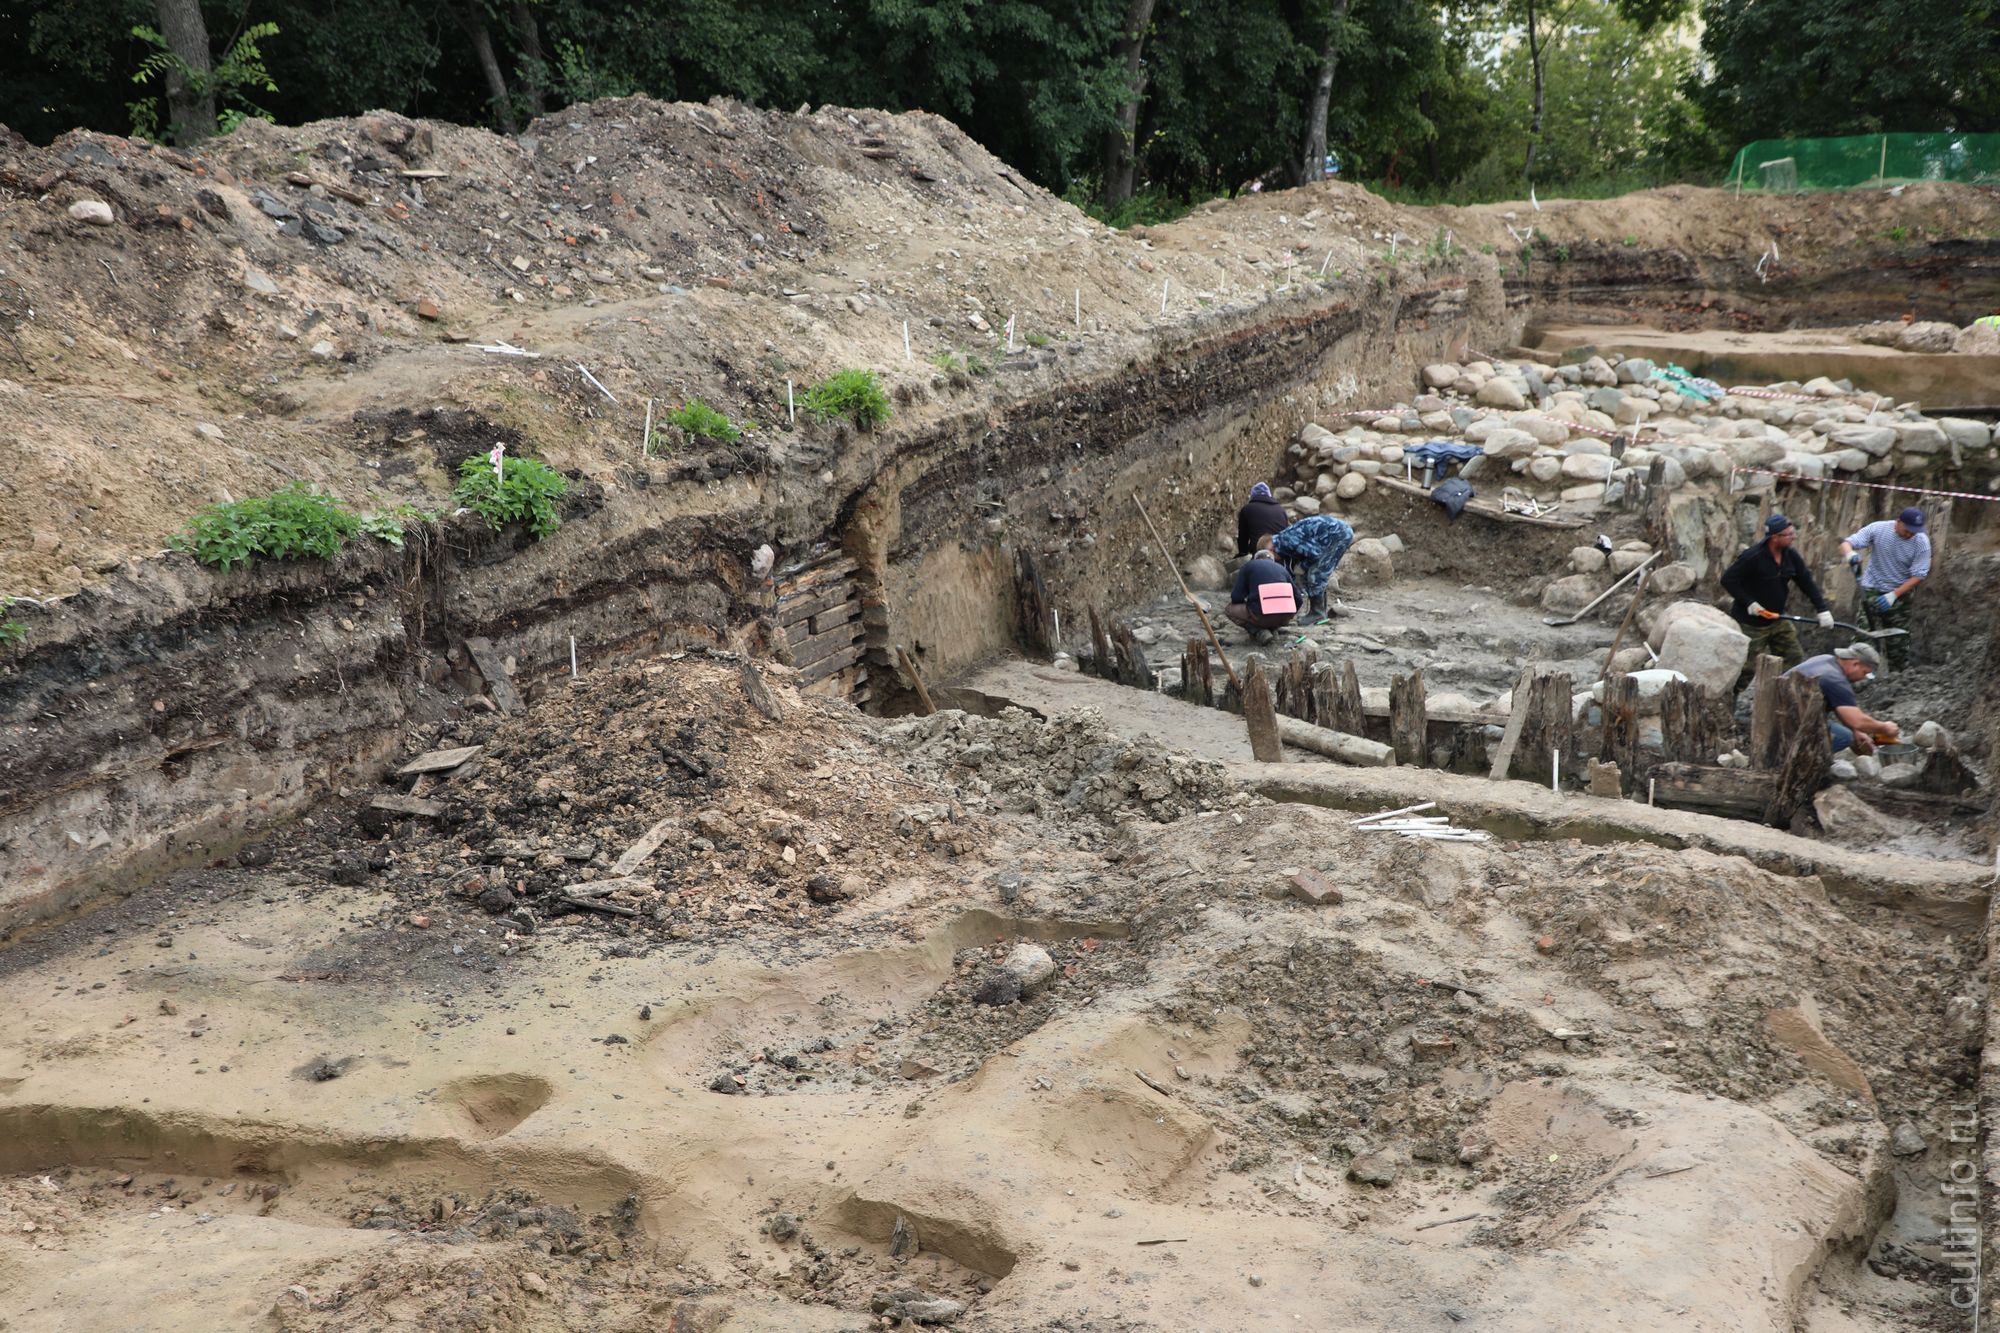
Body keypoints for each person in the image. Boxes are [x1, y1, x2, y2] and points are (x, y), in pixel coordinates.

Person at [1721, 512, 1834, 693]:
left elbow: (1806, 582)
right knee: (1745, 668)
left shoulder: (1791, 556)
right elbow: (1728, 580)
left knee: (1794, 658)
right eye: (1789, 534)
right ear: (1775, 537)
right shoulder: (1753, 557)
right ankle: (1731, 703)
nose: (1793, 537)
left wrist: (1822, 609)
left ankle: (1785, 696)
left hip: (1777, 618)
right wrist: (1749, 602)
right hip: (1751, 624)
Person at [1839, 507, 1928, 670]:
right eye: (1907, 530)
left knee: (1898, 641)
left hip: (1900, 594)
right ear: (1898, 522)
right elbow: (1846, 543)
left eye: (1914, 532)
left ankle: (1898, 677)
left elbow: (1919, 575)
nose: (1910, 534)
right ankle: (1859, 675)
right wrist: (1850, 554)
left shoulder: (1921, 542)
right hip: (1872, 589)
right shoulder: (1878, 529)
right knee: (1863, 636)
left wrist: (1894, 595)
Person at [1786, 644, 1898, 756]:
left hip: (1782, 710)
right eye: (1865, 672)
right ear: (1855, 664)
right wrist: (1885, 728)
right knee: (1844, 737)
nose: (1863, 678)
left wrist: (1856, 730)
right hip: (1785, 724)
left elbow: (1840, 708)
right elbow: (1858, 720)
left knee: (1846, 731)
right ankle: (1797, 761)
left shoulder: (1826, 659)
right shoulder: (1836, 680)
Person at [1269, 514, 1354, 627]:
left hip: (1338, 534)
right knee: (1313, 573)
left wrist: (1303, 567)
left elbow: (1314, 555)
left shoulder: (1286, 541)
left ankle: (1317, 613)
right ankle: (1320, 610)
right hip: (1332, 534)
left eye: (1272, 558)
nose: (1274, 561)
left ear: (1271, 549)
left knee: (1316, 573)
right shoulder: (1283, 542)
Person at [1224, 537, 1298, 644]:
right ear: (1272, 560)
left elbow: (1236, 597)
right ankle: (1273, 628)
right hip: (1285, 617)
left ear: (1255, 559)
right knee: (1271, 612)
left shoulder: (1249, 566)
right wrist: (1288, 614)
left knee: (1229, 609)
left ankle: (1259, 631)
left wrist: (1249, 603)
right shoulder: (1282, 569)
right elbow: (1298, 599)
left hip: (1262, 616)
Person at [1235, 482, 1289, 557]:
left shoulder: (1247, 509)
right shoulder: (1281, 510)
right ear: (1269, 495)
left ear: (1252, 496)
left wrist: (1243, 552)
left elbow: (1243, 536)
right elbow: (1286, 533)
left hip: (1259, 551)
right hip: (1279, 553)